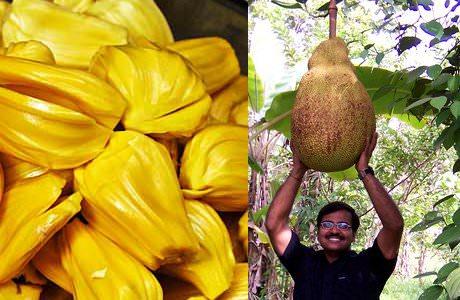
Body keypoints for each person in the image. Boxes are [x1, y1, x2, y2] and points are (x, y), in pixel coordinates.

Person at [265, 132, 404, 299]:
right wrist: (297, 172)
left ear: (354, 235)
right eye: (327, 224)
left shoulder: (369, 266)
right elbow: (274, 224)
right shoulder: (304, 262)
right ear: (318, 231)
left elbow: (394, 226)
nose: (335, 230)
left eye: (344, 226)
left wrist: (364, 172)